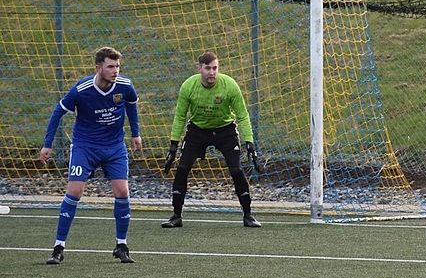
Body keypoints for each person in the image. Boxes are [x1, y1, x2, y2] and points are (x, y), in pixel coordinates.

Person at [40, 46, 141, 265]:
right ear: (98, 67)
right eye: (110, 66)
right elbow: (58, 112)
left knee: (122, 190)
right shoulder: (81, 89)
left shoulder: (125, 85)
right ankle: (58, 247)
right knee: (75, 191)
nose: (115, 71)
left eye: (117, 66)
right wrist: (47, 145)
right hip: (85, 146)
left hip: (114, 147)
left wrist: (136, 133)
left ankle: (121, 245)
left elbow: (132, 105)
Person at [161, 51, 263, 229]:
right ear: (199, 68)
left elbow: (242, 116)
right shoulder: (188, 86)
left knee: (237, 170)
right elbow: (180, 117)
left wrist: (250, 143)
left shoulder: (229, 85)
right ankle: (176, 216)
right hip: (197, 130)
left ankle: (248, 215)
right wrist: (173, 146)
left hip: (225, 131)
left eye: (215, 68)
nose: (212, 72)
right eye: (208, 68)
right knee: (182, 168)